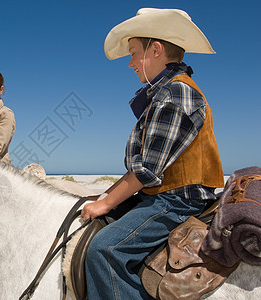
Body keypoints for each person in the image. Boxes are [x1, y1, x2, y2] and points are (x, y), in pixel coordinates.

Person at [81, 8, 224, 299]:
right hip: (163, 193)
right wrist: (102, 199)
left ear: (156, 50)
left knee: (104, 250)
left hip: (178, 200)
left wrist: (106, 203)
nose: (130, 63)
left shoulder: (175, 93)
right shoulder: (165, 92)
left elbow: (146, 169)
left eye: (134, 53)